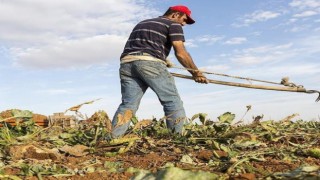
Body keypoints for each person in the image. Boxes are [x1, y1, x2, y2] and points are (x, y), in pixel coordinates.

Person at [111, 5, 208, 138]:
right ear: (175, 15)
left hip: (127, 63)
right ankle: (176, 139)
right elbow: (181, 53)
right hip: (150, 63)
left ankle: (112, 139)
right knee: (172, 101)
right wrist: (196, 73)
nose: (184, 24)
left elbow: (144, 45)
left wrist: (163, 59)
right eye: (184, 19)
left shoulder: (143, 23)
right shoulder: (173, 24)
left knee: (128, 104)